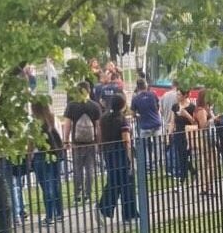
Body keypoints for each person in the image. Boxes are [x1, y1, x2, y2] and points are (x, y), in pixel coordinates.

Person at [97, 94, 138, 223]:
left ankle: (105, 208)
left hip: (108, 153)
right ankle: (128, 213)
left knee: (114, 181)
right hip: (120, 153)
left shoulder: (104, 119)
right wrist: (130, 157)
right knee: (127, 182)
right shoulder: (122, 120)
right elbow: (126, 140)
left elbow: (99, 135)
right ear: (123, 105)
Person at [63, 81, 102, 204]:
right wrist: (98, 141)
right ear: (89, 90)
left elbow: (67, 125)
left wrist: (66, 140)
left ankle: (77, 194)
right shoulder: (95, 106)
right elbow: (98, 127)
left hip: (76, 142)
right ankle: (88, 194)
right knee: (90, 168)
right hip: (90, 142)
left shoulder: (72, 106)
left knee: (77, 169)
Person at [31, 102, 64, 226]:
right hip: (55, 153)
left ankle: (49, 216)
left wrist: (29, 157)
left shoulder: (36, 123)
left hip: (42, 155)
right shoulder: (52, 118)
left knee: (46, 186)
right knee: (55, 183)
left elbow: (31, 142)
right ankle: (59, 213)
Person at [130, 79, 163, 171]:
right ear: (146, 85)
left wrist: (138, 115)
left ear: (137, 87)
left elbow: (132, 114)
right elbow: (158, 107)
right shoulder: (153, 94)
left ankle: (147, 165)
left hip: (145, 125)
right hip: (156, 123)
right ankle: (157, 164)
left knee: (144, 147)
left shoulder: (135, 99)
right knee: (157, 145)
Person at [169, 89, 198, 190]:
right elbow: (172, 122)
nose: (177, 96)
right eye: (177, 94)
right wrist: (169, 134)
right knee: (182, 156)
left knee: (184, 156)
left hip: (188, 134)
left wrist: (186, 114)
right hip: (178, 134)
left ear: (185, 95)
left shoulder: (192, 107)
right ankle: (193, 173)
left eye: (179, 94)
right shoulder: (175, 106)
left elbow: (195, 123)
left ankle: (182, 180)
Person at [193, 90, 217, 197]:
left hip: (205, 137)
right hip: (204, 137)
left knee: (206, 163)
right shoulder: (201, 110)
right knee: (210, 163)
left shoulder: (205, 109)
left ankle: (205, 186)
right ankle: (207, 187)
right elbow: (203, 125)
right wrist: (213, 119)